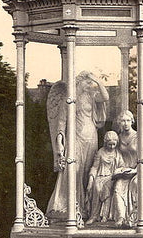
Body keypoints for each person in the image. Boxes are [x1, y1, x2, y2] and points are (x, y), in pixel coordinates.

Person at [46, 71, 109, 221]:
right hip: (75, 138)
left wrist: (97, 80)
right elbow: (61, 122)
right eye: (86, 82)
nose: (89, 85)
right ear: (78, 83)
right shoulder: (69, 99)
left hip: (91, 136)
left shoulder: (92, 97)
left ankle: (87, 210)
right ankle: (68, 207)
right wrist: (60, 142)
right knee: (72, 170)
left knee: (88, 171)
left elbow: (105, 97)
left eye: (89, 83)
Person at [111, 110, 143, 227]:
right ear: (119, 123)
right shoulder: (118, 138)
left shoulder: (138, 137)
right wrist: (120, 171)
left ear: (132, 121)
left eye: (128, 120)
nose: (125, 123)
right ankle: (121, 218)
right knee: (118, 187)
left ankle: (140, 216)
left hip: (141, 169)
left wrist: (135, 171)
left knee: (137, 183)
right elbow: (117, 157)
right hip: (125, 171)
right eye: (123, 121)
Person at [85, 131, 125, 225]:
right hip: (100, 176)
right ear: (105, 142)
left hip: (112, 178)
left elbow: (122, 166)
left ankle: (105, 215)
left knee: (108, 190)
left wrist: (119, 172)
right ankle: (93, 216)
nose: (111, 147)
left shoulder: (117, 153)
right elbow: (95, 167)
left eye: (113, 144)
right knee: (96, 189)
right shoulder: (100, 152)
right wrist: (90, 180)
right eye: (109, 144)